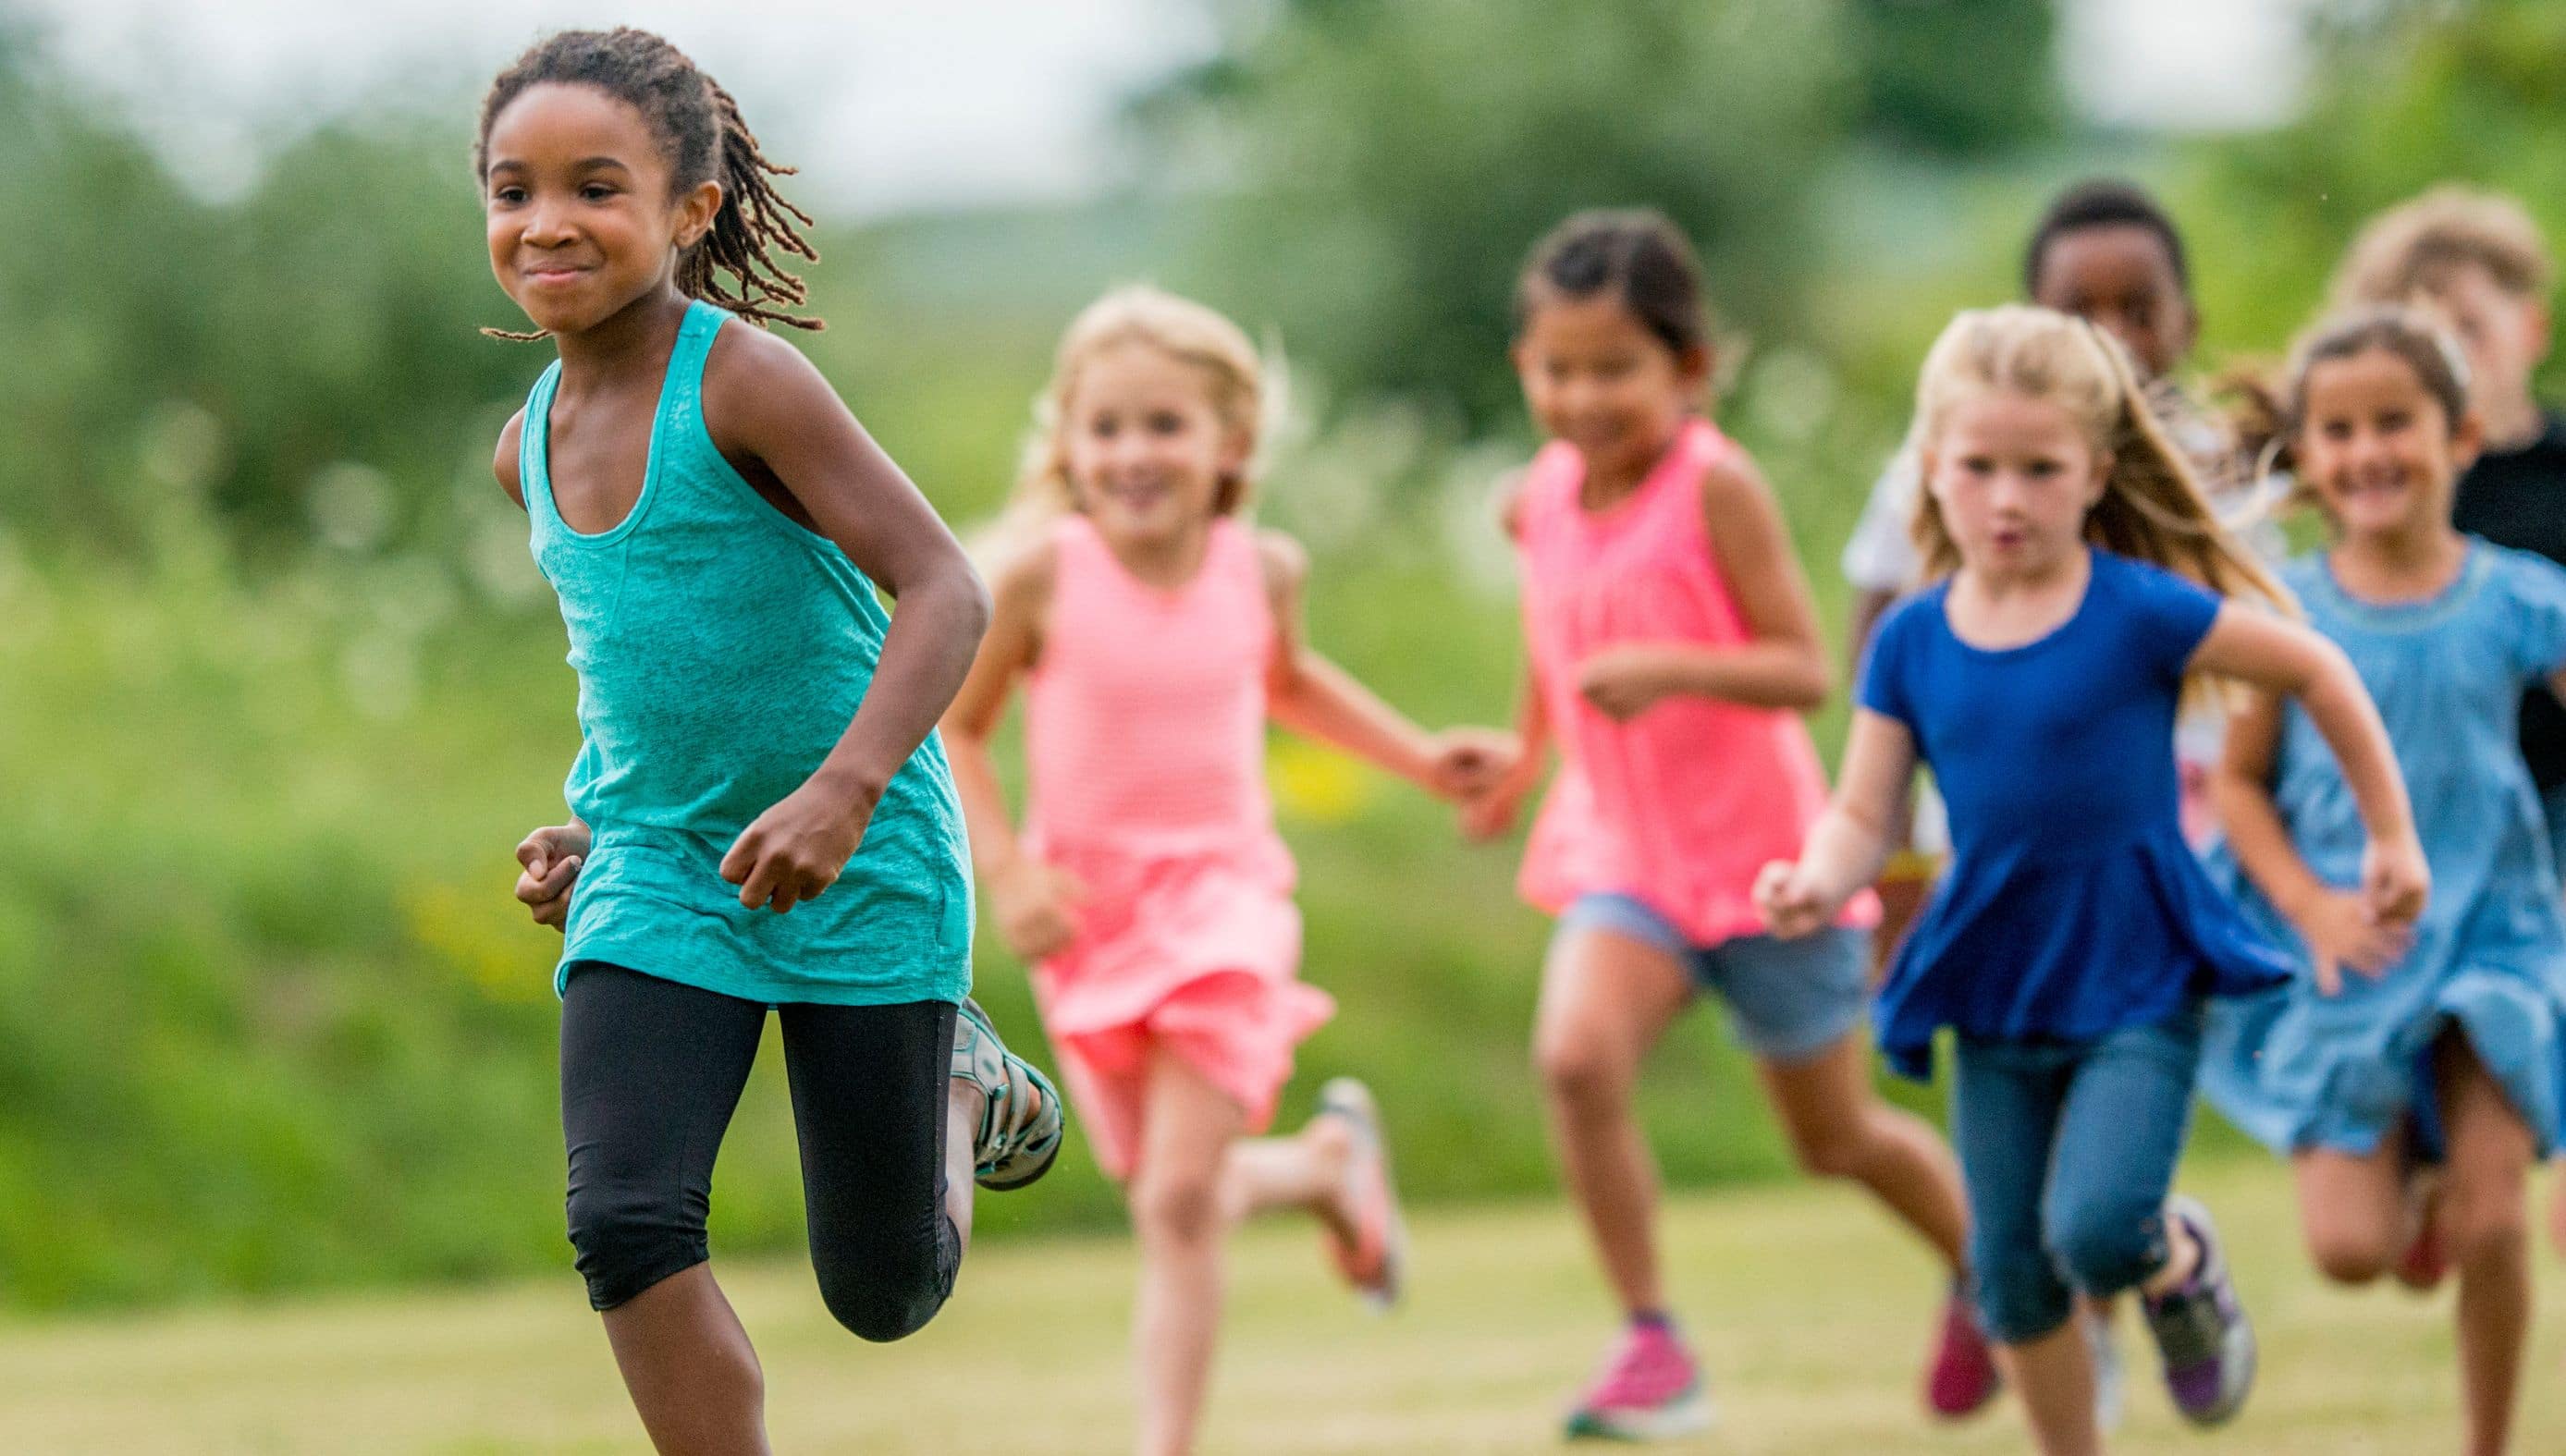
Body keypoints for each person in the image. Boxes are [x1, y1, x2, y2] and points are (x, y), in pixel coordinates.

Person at [483, 30, 1059, 1455]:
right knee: (623, 1219)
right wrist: (596, 832)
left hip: (859, 859)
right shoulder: (525, 445)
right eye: (511, 189)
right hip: (666, 869)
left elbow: (945, 585)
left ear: (690, 208)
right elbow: (637, 665)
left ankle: (964, 1079)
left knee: (881, 1290)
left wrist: (846, 789)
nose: (546, 220)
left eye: (595, 186)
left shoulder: (745, 385)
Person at [1755, 304, 2426, 1455]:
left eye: (2039, 469)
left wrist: (2389, 837)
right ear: (1932, 468)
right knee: (2010, 1275)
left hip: (2135, 968)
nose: (2006, 497)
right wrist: (1817, 881)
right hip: (1995, 977)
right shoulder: (1911, 642)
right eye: (1978, 467)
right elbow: (1865, 808)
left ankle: (2182, 1261)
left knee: (2102, 1230)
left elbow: (2313, 663)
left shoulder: (2135, 611)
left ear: (2094, 473)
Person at [941, 285, 1505, 1456]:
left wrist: (1419, 757)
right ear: (1069, 445)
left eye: (1164, 426)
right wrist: (1010, 874)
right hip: (1086, 912)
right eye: (1106, 429)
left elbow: (1288, 683)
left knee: (1174, 1206)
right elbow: (957, 730)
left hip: (1225, 903)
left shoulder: (1266, 569)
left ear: (1230, 442)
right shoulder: (1044, 577)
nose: (1133, 454)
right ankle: (1325, 1168)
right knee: (1170, 1187)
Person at [1462, 210, 1990, 1440]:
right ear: (1522, 367)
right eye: (1556, 367)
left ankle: (1994, 1273)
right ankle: (1650, 1341)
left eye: (1614, 368)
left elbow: (1805, 666)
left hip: (1765, 866)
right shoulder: (1532, 496)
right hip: (1621, 852)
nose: (1582, 396)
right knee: (1574, 1057)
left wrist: (1670, 664)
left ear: (1688, 368)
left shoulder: (1716, 483)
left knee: (1836, 1136)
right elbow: (1552, 639)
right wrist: (1522, 757)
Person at [2201, 307, 2566, 1456]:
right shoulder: (2290, 616)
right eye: (2340, 431)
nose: (2369, 454)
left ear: (2461, 439)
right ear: (2308, 455)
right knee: (2350, 1255)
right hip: (2356, 946)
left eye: (2396, 424)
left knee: (2499, 1222)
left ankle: (2489, 1443)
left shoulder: (2518, 597)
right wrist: (2306, 907)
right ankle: (2408, 1166)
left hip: (2498, 935)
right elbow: (2239, 788)